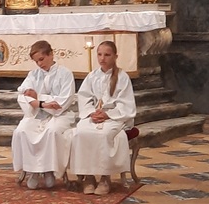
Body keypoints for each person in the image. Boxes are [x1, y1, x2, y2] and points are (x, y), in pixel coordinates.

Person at [70, 40, 136, 195]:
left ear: (115, 56)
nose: (102, 58)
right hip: (94, 115)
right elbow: (84, 97)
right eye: (99, 54)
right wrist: (91, 113)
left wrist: (107, 114)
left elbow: (126, 103)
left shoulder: (122, 77)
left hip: (115, 116)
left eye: (107, 55)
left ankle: (105, 177)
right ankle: (89, 177)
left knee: (104, 134)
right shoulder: (92, 76)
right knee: (81, 132)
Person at [12, 40, 76, 189]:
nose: (39, 64)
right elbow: (23, 94)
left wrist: (38, 98)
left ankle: (49, 170)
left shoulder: (65, 74)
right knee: (22, 131)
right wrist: (42, 104)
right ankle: (33, 170)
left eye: (41, 59)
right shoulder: (33, 75)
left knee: (51, 132)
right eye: (36, 62)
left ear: (51, 54)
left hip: (59, 115)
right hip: (37, 114)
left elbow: (63, 101)